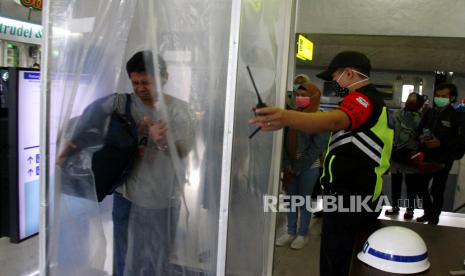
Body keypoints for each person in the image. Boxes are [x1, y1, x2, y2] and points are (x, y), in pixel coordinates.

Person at [250, 51, 393, 276]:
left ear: (349, 73)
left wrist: (286, 117)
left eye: (334, 76)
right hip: (358, 192)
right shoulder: (373, 101)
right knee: (347, 257)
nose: (333, 82)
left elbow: (335, 120)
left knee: (337, 259)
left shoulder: (362, 98)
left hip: (352, 195)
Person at [59, 51, 195, 275]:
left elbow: (185, 150)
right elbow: (82, 124)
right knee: (124, 254)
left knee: (158, 256)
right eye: (136, 82)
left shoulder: (181, 110)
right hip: (127, 195)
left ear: (165, 78)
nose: (140, 88)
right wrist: (66, 151)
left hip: (163, 197)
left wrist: (162, 142)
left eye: (146, 83)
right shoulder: (119, 103)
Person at [276, 82, 328, 249]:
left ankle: (302, 234)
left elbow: (316, 147)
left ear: (313, 97)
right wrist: (287, 164)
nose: (299, 98)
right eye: (297, 95)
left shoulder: (319, 118)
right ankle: (290, 232)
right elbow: (282, 142)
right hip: (290, 166)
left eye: (303, 95)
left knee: (304, 201)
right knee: (291, 200)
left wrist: (299, 166)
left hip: (309, 167)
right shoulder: (292, 115)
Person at [416, 83, 465, 225]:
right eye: (437, 96)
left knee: (437, 190)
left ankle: (433, 218)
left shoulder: (458, 116)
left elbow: (462, 139)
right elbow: (420, 129)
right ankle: (428, 211)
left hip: (444, 159)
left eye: (443, 96)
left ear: (452, 97)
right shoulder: (430, 112)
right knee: (420, 186)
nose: (439, 98)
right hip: (427, 155)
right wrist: (420, 137)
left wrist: (441, 143)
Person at [385, 92, 428, 219]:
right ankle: (395, 207)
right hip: (396, 152)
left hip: (411, 154)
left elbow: (424, 135)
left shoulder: (422, 118)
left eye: (413, 101)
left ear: (418, 104)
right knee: (395, 182)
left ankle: (410, 210)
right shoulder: (396, 114)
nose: (409, 103)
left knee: (411, 185)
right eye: (409, 100)